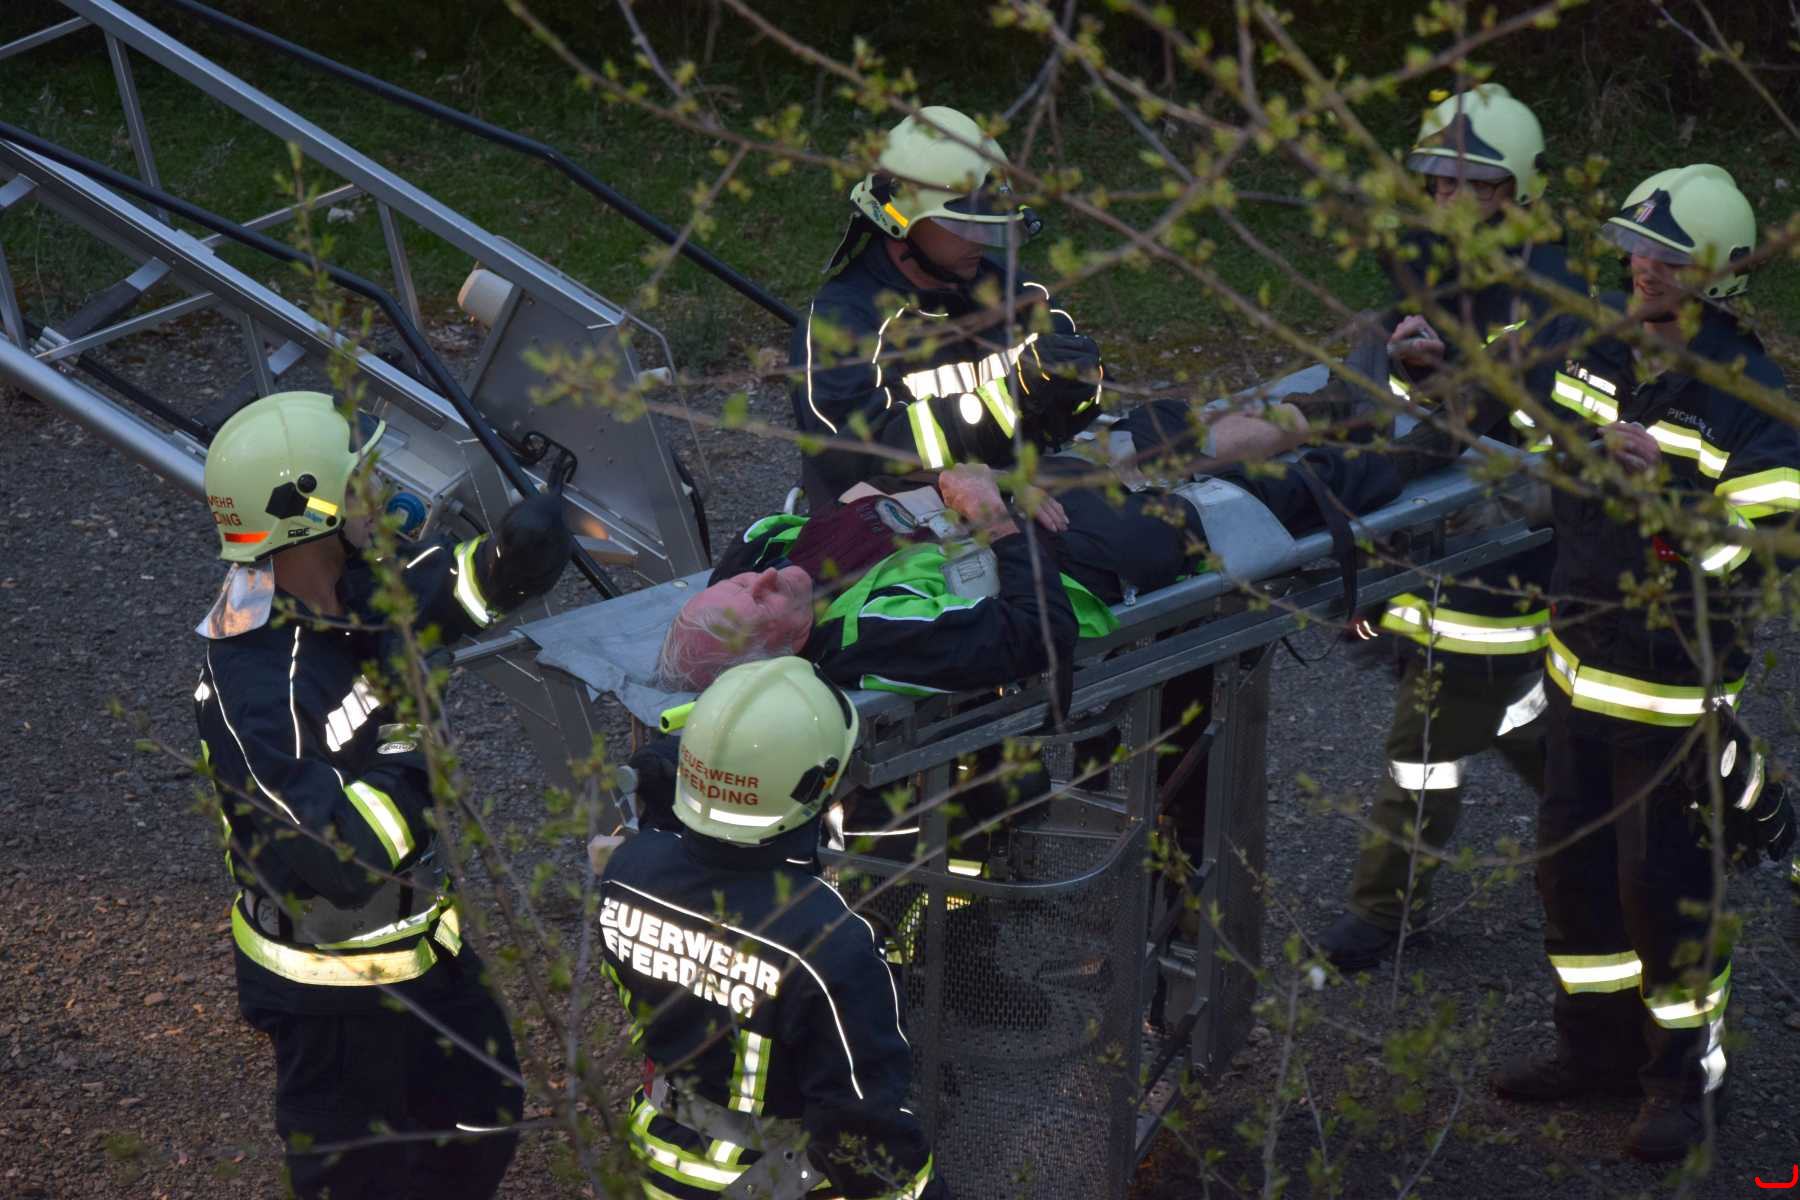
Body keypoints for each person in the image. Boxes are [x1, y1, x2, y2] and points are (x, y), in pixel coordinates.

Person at [1439, 166, 1798, 1159]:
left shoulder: (1750, 399)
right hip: (1575, 672)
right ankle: (1593, 1051)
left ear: (1719, 273)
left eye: (1671, 255)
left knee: (1665, 893)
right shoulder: (1588, 337)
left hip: (1671, 698)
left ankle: (1685, 1087)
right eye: (1638, 246)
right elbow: (1503, 403)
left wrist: (1665, 497)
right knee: (1573, 879)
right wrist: (1432, 367)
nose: (1645, 266)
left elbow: (1759, 547)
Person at [192, 391, 572, 1198]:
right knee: (358, 1181)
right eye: (359, 480)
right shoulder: (259, 688)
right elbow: (342, 858)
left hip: (424, 950)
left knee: (483, 1119)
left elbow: (432, 592)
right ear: (309, 513)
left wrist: (509, 563)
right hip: (330, 999)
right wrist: (410, 737)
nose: (382, 491)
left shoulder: (344, 582)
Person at [1317, 82, 1581, 971]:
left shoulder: (1547, 293)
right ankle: (1638, 833)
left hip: (1507, 553)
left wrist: (1437, 384)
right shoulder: (1447, 271)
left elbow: (1496, 418)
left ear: (1510, 190)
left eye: (1458, 182)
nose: (1438, 196)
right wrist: (1407, 369)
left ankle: (1382, 912)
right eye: (1431, 180)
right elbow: (1407, 400)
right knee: (1526, 724)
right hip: (1457, 544)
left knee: (1424, 744)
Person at [597, 656, 944, 1199]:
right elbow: (859, 1133)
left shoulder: (627, 871)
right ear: (817, 786)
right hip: (769, 1181)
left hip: (650, 1161)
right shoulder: (827, 944)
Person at [791, 105, 1104, 504]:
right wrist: (1008, 400)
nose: (979, 240)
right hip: (903, 524)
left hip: (1025, 501)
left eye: (990, 223)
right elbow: (861, 458)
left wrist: (1080, 385)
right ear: (900, 219)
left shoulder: (1019, 294)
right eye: (963, 224)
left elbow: (1067, 421)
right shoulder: (841, 324)